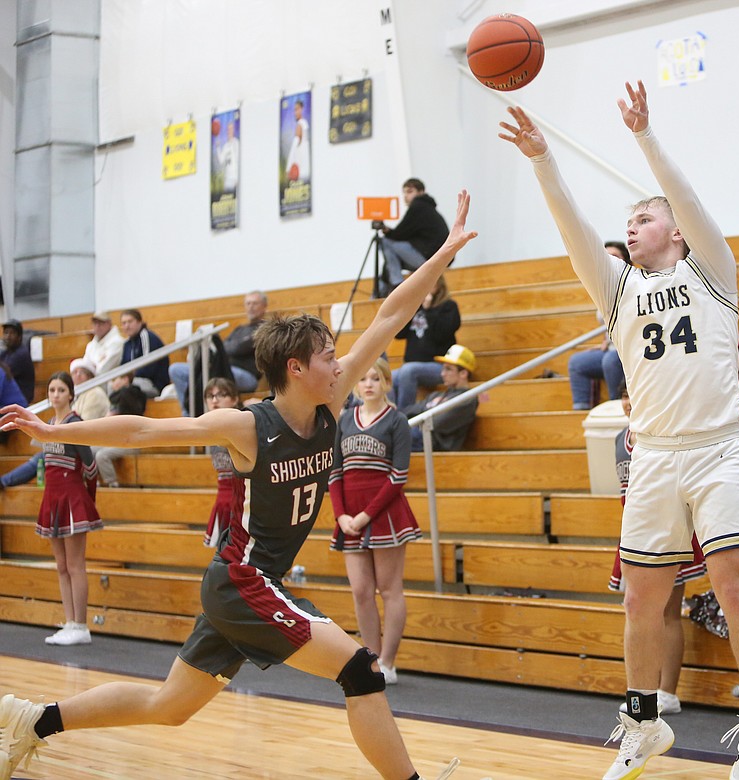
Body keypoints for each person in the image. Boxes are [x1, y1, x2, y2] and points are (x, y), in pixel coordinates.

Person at [0, 190, 475, 780]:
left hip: (249, 583)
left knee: (168, 706)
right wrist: (54, 430)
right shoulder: (250, 426)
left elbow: (390, 315)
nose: (340, 364)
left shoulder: (330, 401)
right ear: (296, 368)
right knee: (359, 669)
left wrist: (444, 253)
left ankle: (32, 721)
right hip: (243, 581)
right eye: (328, 357)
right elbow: (145, 428)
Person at [500, 82, 739, 780]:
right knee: (640, 598)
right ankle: (644, 723)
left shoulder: (712, 271)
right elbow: (571, 228)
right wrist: (541, 161)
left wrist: (644, 137)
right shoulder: (617, 288)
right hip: (653, 455)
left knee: (733, 586)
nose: (632, 225)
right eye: (628, 219)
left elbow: (684, 197)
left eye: (645, 217)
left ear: (677, 231)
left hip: (718, 449)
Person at [609, 382, 704, 718]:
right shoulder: (618, 440)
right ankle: (643, 691)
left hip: (668, 531)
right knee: (638, 612)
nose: (628, 402)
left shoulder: (664, 432)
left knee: (668, 613)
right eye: (624, 396)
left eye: (633, 394)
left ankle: (667, 692)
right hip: (636, 532)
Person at [329, 358, 421, 686]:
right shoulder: (344, 419)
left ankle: (388, 662)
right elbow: (335, 471)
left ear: (387, 383)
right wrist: (341, 515)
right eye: (363, 378)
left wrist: (366, 515)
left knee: (389, 589)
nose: (369, 384)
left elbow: (398, 475)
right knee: (360, 590)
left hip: (385, 514)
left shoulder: (397, 420)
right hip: (349, 515)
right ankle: (371, 658)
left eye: (376, 378)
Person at [37, 371, 102, 647]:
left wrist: (87, 502)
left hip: (73, 499)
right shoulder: (48, 424)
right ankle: (69, 621)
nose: (55, 395)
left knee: (75, 565)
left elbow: (91, 467)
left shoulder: (76, 425)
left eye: (61, 390)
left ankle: (81, 625)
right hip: (52, 500)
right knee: (61, 566)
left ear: (71, 394)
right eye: (52, 390)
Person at [170, 291, 267, 415]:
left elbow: (234, 348)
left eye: (255, 303)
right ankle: (189, 414)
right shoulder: (239, 330)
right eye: (248, 303)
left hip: (246, 376)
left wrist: (230, 347)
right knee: (176, 370)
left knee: (209, 369)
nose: (251, 307)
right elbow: (224, 346)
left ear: (264, 306)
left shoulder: (264, 328)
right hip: (225, 368)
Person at [569, 242, 630, 410]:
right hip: (611, 348)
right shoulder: (602, 287)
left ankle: (616, 407)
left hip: (628, 350)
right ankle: (582, 410)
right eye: (606, 256)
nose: (609, 260)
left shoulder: (632, 283)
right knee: (577, 362)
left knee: (610, 360)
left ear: (626, 261)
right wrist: (606, 341)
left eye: (615, 256)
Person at [391, 276, 460, 409]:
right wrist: (410, 309)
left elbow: (442, 334)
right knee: (387, 378)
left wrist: (428, 311)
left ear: (439, 285)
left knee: (409, 371)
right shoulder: (415, 307)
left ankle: (403, 416)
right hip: (410, 366)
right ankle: (389, 416)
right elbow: (399, 334)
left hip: (439, 366)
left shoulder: (449, 306)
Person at [378, 178, 450, 296]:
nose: (406, 196)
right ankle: (383, 290)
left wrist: (387, 231)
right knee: (389, 263)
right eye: (404, 192)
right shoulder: (427, 208)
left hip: (429, 258)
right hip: (435, 257)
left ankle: (396, 284)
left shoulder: (418, 206)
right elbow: (404, 233)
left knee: (385, 242)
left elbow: (399, 234)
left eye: (410, 191)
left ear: (421, 192)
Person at [401, 345, 478, 453]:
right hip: (416, 436)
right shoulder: (436, 395)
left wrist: (421, 414)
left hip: (432, 443)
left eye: (448, 369)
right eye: (443, 368)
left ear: (463, 373)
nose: (442, 374)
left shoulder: (467, 399)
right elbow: (408, 411)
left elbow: (435, 423)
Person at [200, 378, 244, 549]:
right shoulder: (209, 429)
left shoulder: (244, 425)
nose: (214, 400)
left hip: (243, 499)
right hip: (223, 498)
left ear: (234, 399)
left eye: (221, 395)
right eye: (210, 396)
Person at [92, 375, 147, 488]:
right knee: (89, 450)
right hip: (115, 440)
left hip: (131, 442)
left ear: (125, 379)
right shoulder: (116, 399)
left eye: (115, 379)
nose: (112, 383)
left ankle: (113, 485)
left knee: (102, 455)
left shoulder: (129, 396)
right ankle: (93, 481)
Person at [118, 309, 169, 398]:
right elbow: (123, 367)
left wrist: (128, 379)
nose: (127, 326)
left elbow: (148, 368)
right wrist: (121, 379)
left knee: (130, 388)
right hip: (134, 380)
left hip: (153, 384)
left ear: (139, 322)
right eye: (124, 323)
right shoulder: (127, 344)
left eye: (130, 322)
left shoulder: (147, 336)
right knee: (112, 386)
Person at [1, 319, 35, 404]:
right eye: (6, 333)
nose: (8, 336)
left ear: (19, 337)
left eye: (12, 333)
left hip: (20, 404)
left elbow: (3, 373)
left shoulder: (21, 354)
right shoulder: (6, 352)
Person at [83, 311, 124, 379]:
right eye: (95, 323)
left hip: (109, 381)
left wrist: (92, 368)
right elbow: (84, 368)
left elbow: (103, 369)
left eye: (101, 323)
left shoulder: (117, 342)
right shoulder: (90, 345)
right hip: (91, 382)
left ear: (109, 323)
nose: (97, 326)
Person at [285, 98, 311, 182]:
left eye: (297, 109)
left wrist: (288, 168)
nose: (295, 113)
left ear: (301, 109)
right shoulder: (306, 125)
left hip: (301, 171)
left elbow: (294, 147)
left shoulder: (300, 125)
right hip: (306, 169)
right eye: (294, 110)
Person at [218, 118, 240, 193]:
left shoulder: (236, 143)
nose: (229, 131)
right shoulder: (225, 146)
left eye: (231, 129)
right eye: (228, 129)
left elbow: (239, 160)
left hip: (235, 178)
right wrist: (218, 148)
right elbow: (221, 161)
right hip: (227, 179)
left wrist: (238, 178)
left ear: (233, 130)